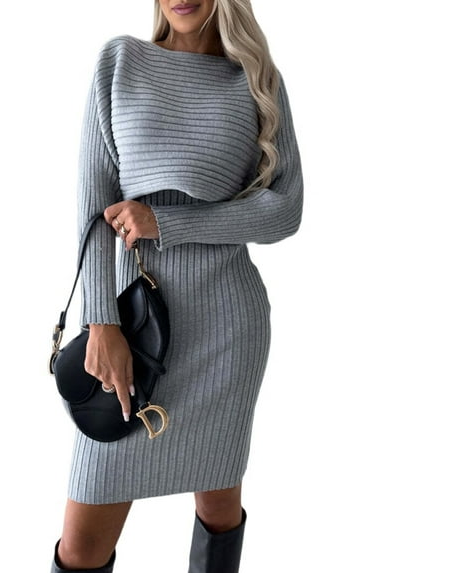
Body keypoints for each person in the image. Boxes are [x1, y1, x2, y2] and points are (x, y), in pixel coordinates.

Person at [51, 1, 303, 571]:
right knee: (82, 546)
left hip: (226, 333)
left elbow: (285, 210)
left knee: (218, 507)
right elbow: (93, 211)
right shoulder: (119, 62)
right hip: (131, 334)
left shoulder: (256, 80)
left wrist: (169, 223)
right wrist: (102, 323)